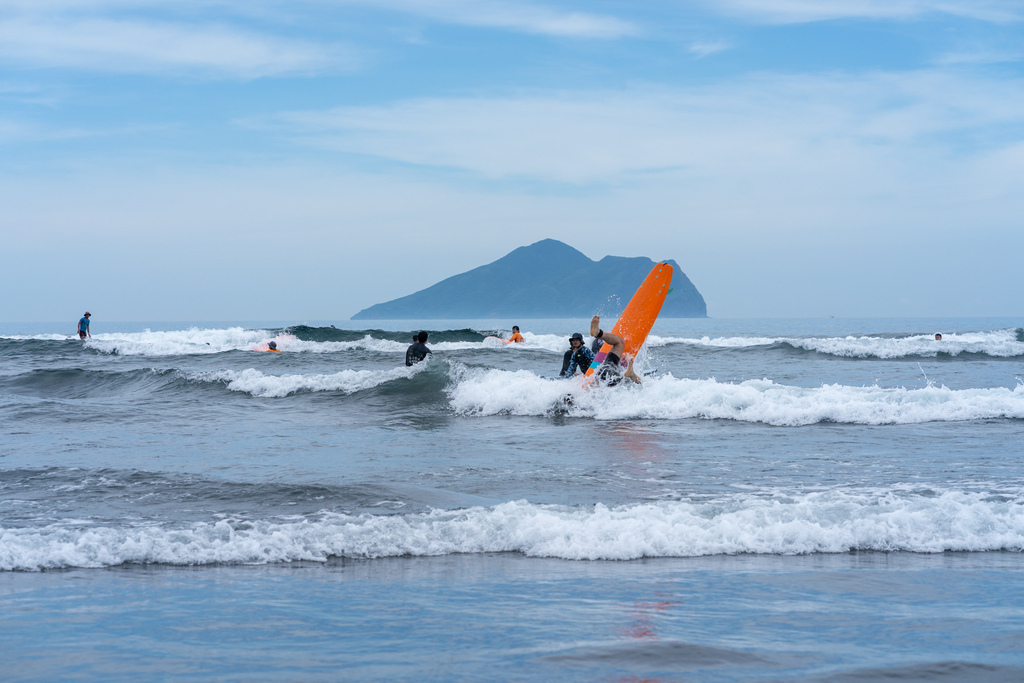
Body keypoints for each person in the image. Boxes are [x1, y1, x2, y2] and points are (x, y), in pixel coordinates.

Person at [589, 315, 640, 385]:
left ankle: (599, 333)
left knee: (620, 342)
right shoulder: (624, 358)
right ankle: (631, 375)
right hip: (608, 373)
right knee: (639, 381)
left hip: (603, 374)